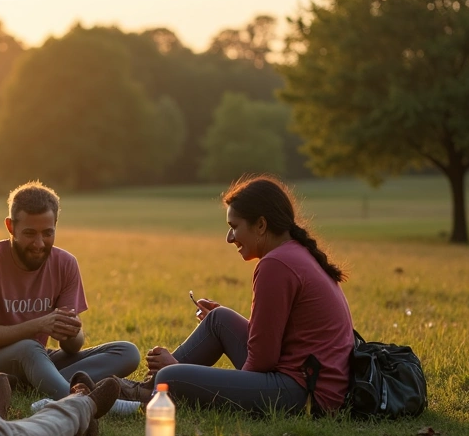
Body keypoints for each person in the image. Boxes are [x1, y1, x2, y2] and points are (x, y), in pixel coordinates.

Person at [144, 175, 355, 414]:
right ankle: (147, 389)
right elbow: (276, 341)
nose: (229, 238)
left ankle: (155, 388)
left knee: (171, 376)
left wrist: (178, 370)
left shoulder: (276, 264)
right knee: (219, 319)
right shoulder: (294, 253)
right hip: (309, 381)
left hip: (307, 395)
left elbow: (262, 361)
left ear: (261, 225)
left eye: (234, 227)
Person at [0, 181, 142, 398]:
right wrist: (39, 324)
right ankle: (80, 400)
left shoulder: (65, 264)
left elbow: (72, 347)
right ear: (10, 227)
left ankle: (44, 385)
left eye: (47, 233)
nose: (39, 243)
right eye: (30, 233)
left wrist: (72, 331)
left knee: (126, 352)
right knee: (29, 348)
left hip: (35, 358)